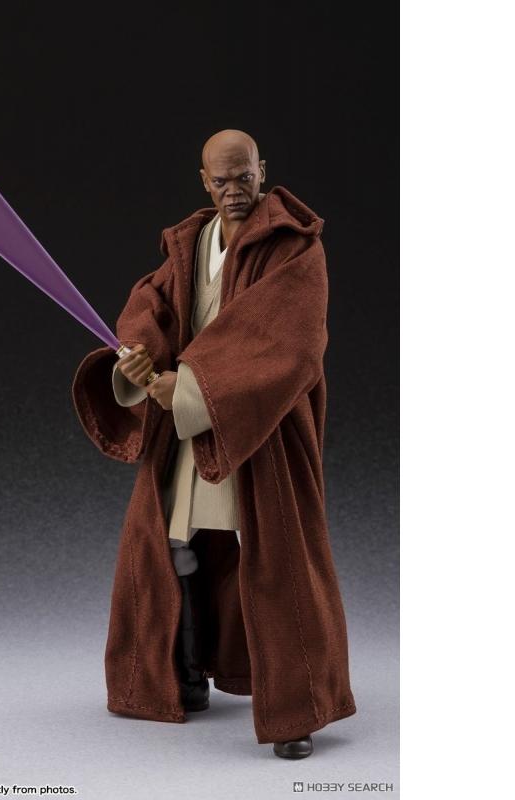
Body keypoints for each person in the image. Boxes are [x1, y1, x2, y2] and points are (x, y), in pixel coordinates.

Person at [71, 130, 355, 759]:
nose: (234, 192)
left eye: (243, 177)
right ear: (204, 181)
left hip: (261, 432)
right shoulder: (190, 243)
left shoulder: (295, 249)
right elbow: (153, 305)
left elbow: (289, 345)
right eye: (221, 181)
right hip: (188, 431)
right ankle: (185, 671)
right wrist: (139, 356)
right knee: (173, 545)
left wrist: (193, 386)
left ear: (262, 171)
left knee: (273, 557)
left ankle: (296, 707)